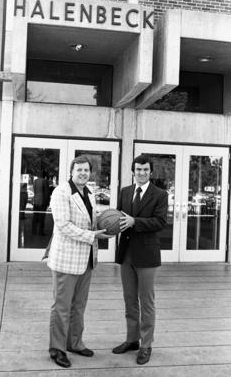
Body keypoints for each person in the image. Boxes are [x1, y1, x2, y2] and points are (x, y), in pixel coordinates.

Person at [47, 155, 111, 368]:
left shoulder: (89, 193)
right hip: (66, 259)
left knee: (79, 306)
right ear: (71, 171)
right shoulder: (61, 192)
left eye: (86, 170)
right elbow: (63, 225)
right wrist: (93, 236)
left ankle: (74, 342)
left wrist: (106, 228)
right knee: (61, 306)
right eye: (79, 170)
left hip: (86, 260)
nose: (83, 173)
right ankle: (57, 349)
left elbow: (91, 222)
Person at [112, 154, 168, 365]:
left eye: (145, 170)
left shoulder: (160, 194)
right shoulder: (125, 191)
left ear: (150, 172)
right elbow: (118, 218)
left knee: (146, 301)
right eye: (138, 169)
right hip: (126, 253)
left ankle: (146, 345)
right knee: (129, 299)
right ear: (133, 171)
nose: (142, 173)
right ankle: (132, 339)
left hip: (147, 255)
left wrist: (135, 221)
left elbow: (160, 222)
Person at [32, 170, 50, 235]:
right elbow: (46, 193)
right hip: (42, 201)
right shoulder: (45, 181)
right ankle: (40, 231)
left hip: (36, 200)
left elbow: (34, 191)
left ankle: (33, 231)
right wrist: (47, 202)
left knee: (35, 216)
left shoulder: (35, 181)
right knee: (42, 217)